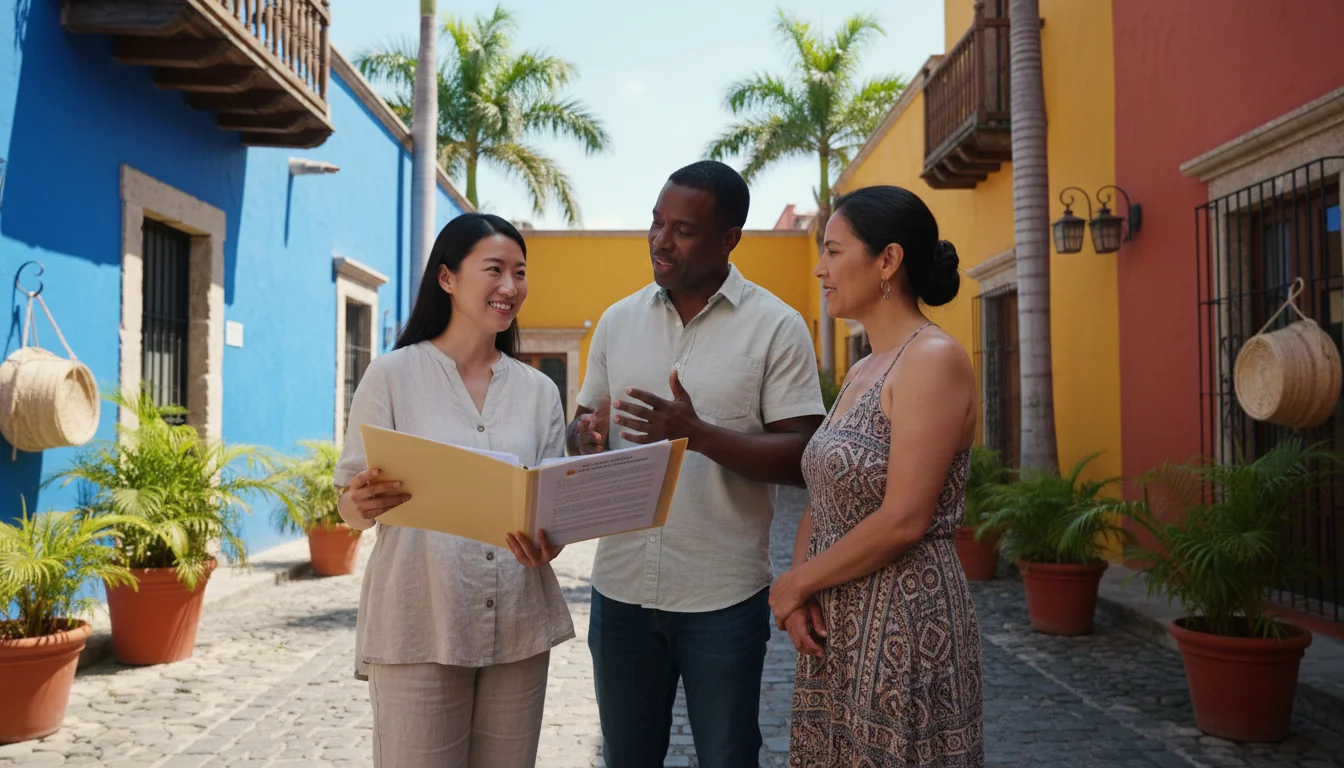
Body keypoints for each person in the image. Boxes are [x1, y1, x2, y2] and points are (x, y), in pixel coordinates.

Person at [567, 160, 827, 768]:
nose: (660, 240)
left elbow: (803, 457)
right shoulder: (617, 321)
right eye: (656, 222)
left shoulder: (777, 327)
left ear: (730, 237)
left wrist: (699, 436)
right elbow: (584, 428)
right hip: (621, 590)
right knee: (625, 758)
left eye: (682, 230)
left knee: (728, 758)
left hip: (723, 597)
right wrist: (584, 437)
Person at [333, 212, 575, 768]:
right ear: (447, 277)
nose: (510, 286)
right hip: (419, 621)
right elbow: (350, 506)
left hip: (518, 626)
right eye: (494, 269)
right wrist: (357, 503)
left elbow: (550, 508)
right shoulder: (391, 376)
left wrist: (551, 539)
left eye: (520, 272)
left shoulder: (539, 391)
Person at [769, 185, 984, 766]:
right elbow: (823, 494)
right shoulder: (863, 367)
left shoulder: (932, 359)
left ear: (888, 260)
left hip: (904, 627)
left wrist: (796, 583)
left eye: (834, 251)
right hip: (835, 624)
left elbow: (904, 520)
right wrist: (801, 593)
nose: (820, 268)